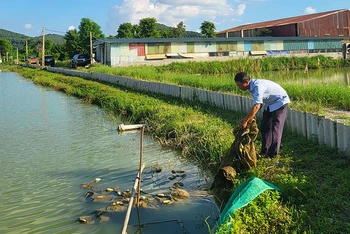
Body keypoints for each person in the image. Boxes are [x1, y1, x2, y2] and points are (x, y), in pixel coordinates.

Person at [234, 72, 290, 158]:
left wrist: (246, 120)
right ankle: (264, 151)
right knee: (264, 127)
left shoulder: (257, 87)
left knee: (275, 129)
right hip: (269, 103)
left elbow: (257, 105)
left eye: (240, 85)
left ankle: (272, 155)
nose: (239, 88)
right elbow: (258, 104)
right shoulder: (250, 86)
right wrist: (250, 117)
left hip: (280, 101)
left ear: (246, 82)